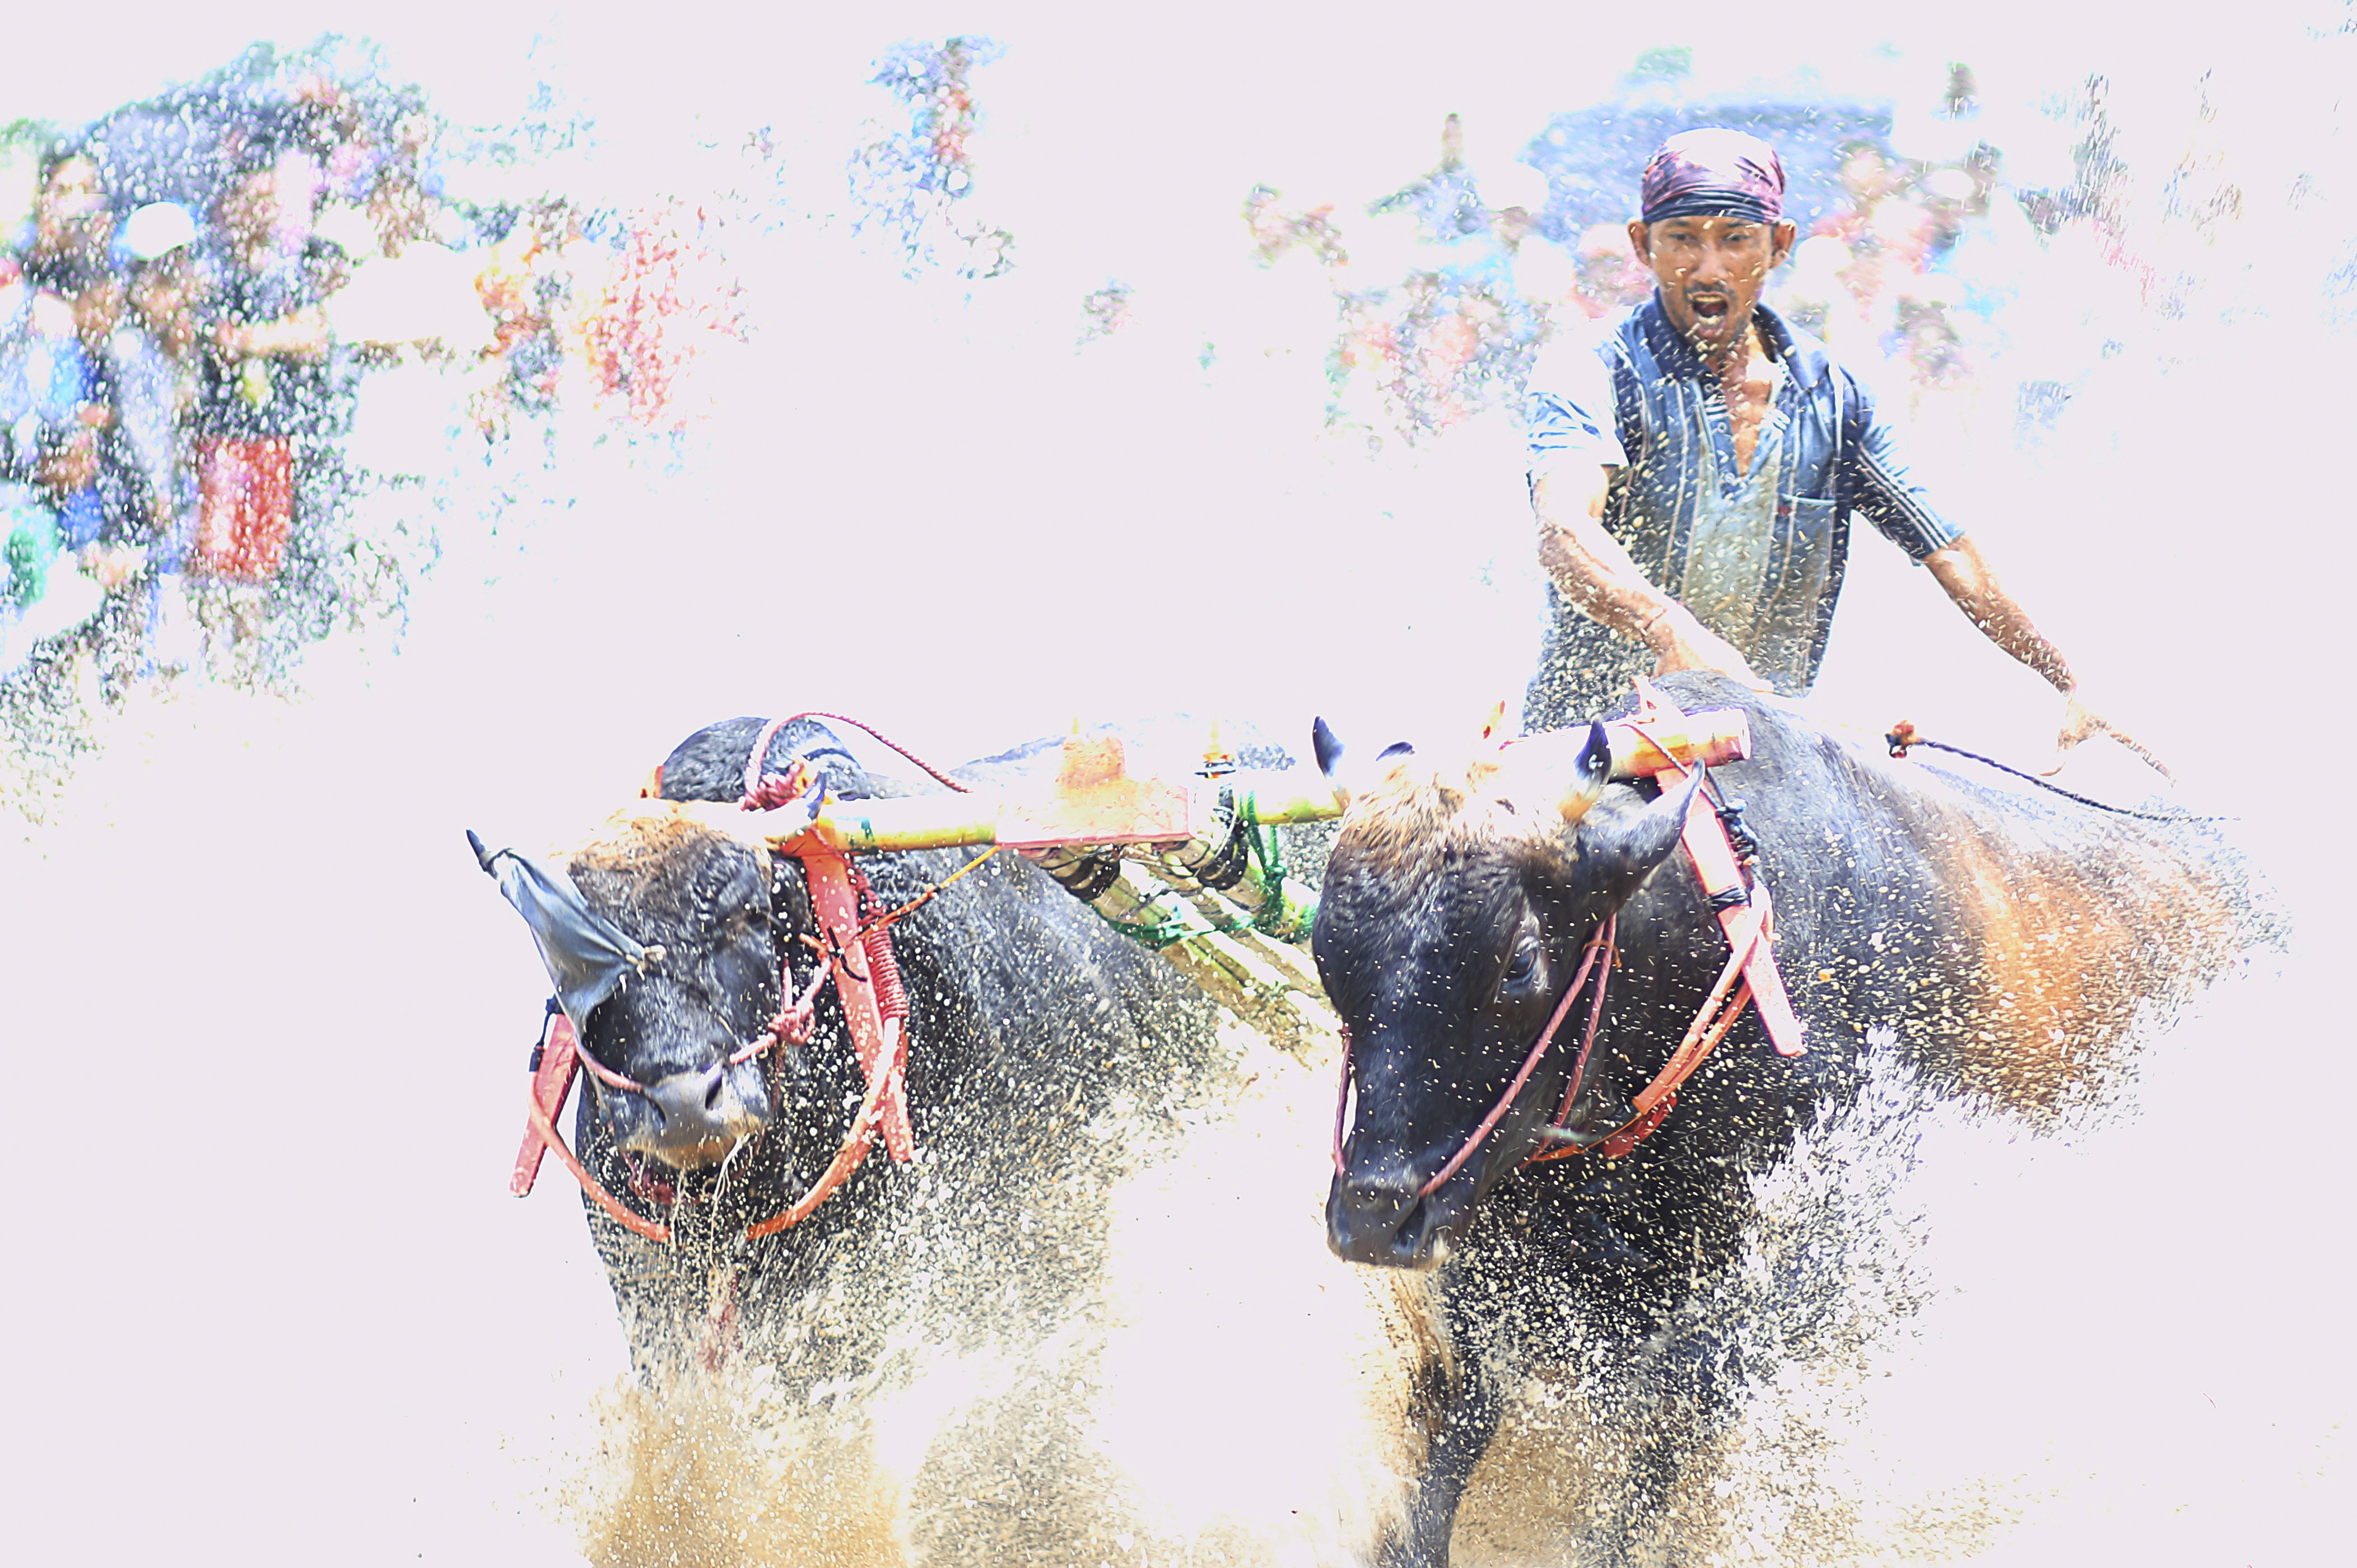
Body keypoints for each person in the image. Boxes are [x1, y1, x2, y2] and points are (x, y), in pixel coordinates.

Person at [1522, 127, 2158, 773]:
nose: (1708, 268)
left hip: (1765, 761)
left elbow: (1951, 551)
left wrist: (2071, 678)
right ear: (1642, 246)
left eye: (1735, 240)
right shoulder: (1589, 368)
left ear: (1778, 246)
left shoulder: (1832, 397)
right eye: (1682, 239)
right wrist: (1668, 629)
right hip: (1590, 756)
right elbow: (1564, 530)